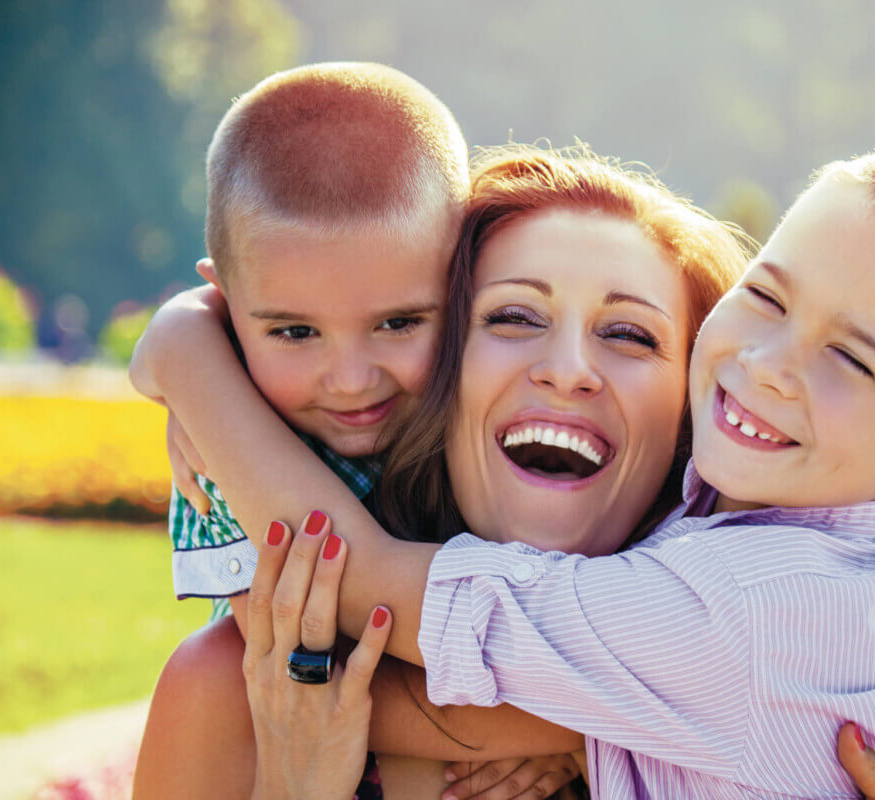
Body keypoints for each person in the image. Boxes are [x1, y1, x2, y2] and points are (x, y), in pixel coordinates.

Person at [132, 145, 875, 799]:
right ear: (437, 368)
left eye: (630, 335)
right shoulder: (230, 692)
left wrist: (186, 353)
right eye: (513, 317)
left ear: (694, 406)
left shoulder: (761, 640)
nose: (569, 369)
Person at [134, 64, 585, 798]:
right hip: (301, 757)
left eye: (398, 323)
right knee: (210, 667)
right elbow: (307, 674)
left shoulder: (500, 411)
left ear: (463, 282)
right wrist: (582, 731)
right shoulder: (230, 452)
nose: (349, 380)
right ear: (226, 301)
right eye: (294, 332)